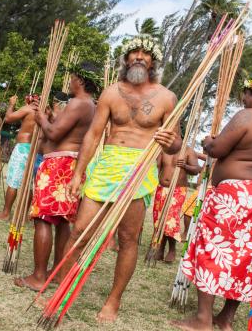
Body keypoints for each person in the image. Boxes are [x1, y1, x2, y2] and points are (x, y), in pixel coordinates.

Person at [61, 34, 181, 322]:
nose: (139, 56)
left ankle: (113, 301)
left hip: (139, 170)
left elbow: (176, 145)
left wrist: (169, 141)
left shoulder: (167, 97)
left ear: (153, 61)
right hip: (107, 166)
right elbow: (93, 134)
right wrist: (79, 173)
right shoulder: (111, 93)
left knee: (128, 239)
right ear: (125, 59)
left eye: (145, 53)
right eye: (133, 53)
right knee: (79, 232)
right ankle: (64, 292)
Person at [171, 76, 252, 331]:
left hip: (234, 195)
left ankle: (202, 320)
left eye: (244, 94)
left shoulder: (247, 116)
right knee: (245, 256)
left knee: (212, 249)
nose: (243, 100)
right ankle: (226, 318)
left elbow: (217, 149)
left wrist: (208, 142)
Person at [14, 63, 97, 291]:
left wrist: (41, 117)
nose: (69, 82)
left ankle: (39, 276)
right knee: (61, 222)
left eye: (71, 78)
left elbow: (53, 132)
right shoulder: (91, 105)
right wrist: (50, 118)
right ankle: (59, 272)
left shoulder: (78, 102)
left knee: (43, 219)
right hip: (70, 164)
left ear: (80, 81)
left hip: (58, 165)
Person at [0, 94, 38, 220]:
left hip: (23, 148)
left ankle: (5, 213)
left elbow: (8, 118)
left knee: (13, 182)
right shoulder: (44, 112)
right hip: (35, 150)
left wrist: (11, 104)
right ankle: (22, 215)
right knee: (29, 185)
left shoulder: (28, 108)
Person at [153, 147, 201, 263]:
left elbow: (197, 169)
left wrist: (185, 166)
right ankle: (161, 248)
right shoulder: (162, 149)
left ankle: (172, 249)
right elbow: (157, 167)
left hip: (178, 190)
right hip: (162, 189)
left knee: (170, 220)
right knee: (160, 219)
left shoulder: (188, 151)